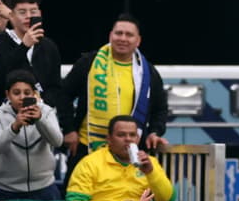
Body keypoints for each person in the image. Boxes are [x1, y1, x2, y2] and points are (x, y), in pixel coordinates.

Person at [59, 13, 168, 184]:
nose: (123, 38)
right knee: (75, 200)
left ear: (138, 40)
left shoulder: (147, 73)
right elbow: (63, 94)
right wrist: (69, 130)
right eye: (118, 33)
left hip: (129, 153)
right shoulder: (89, 63)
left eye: (129, 34)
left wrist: (155, 131)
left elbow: (160, 109)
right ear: (111, 36)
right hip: (86, 147)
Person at [0, 69, 62, 200]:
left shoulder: (46, 111)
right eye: (16, 93)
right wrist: (14, 127)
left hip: (44, 187)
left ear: (34, 94)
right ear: (8, 95)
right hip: (8, 189)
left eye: (27, 93)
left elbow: (57, 141)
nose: (22, 97)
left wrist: (40, 120)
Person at [65, 114, 174, 201]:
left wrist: (151, 173)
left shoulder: (149, 162)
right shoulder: (90, 162)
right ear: (109, 139)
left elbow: (167, 200)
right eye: (121, 135)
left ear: (138, 139)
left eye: (132, 135)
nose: (128, 139)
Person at [0, 0, 61, 113]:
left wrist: (43, 103)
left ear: (40, 14)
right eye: (22, 12)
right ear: (11, 16)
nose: (28, 16)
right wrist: (24, 47)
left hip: (42, 113)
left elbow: (54, 86)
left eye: (33, 11)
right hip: (6, 114)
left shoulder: (48, 46)